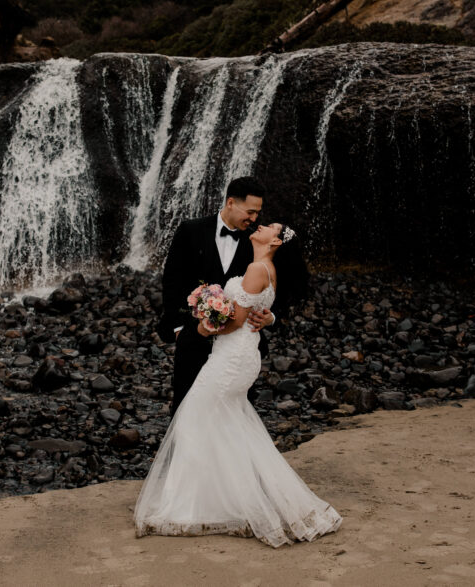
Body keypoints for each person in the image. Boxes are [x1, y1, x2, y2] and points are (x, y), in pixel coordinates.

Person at [136, 223, 342, 547]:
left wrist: (203, 327)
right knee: (228, 424)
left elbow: (234, 322)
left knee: (193, 417)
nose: (260, 224)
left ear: (274, 240)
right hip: (241, 357)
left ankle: (192, 505)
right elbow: (256, 311)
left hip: (231, 357)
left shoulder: (257, 268)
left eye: (267, 225)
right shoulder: (266, 268)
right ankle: (222, 498)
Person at [157, 177, 305, 414]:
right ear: (231, 202)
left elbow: (283, 284)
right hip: (193, 338)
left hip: (235, 349)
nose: (255, 219)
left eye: (258, 213)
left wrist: (272, 317)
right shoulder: (190, 230)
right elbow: (172, 281)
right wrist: (179, 330)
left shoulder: (258, 243)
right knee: (185, 408)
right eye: (250, 211)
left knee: (230, 413)